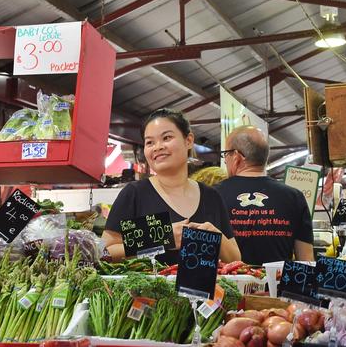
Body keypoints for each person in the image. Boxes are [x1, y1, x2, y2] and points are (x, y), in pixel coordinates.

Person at [102, 109, 241, 264]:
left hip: (204, 289)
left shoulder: (211, 197)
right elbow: (105, 252)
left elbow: (235, 259)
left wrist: (216, 237)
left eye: (166, 137)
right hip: (148, 288)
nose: (157, 147)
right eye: (150, 142)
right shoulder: (134, 194)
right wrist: (163, 238)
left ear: (188, 140)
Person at [215, 125, 314, 265]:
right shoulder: (294, 197)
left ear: (237, 157)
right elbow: (306, 261)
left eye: (226, 154)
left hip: (227, 285)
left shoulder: (213, 195)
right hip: (277, 285)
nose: (225, 160)